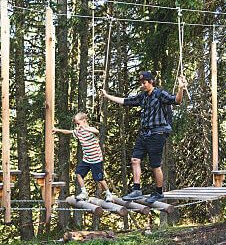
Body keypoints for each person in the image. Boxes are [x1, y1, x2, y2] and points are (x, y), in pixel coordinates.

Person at [102, 71, 187, 203]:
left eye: (145, 82)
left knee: (155, 165)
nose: (142, 85)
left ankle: (159, 192)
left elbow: (177, 100)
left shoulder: (159, 94)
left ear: (151, 81)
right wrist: (107, 96)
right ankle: (136, 190)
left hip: (158, 133)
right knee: (135, 159)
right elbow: (125, 101)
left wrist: (180, 88)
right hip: (144, 134)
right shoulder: (142, 97)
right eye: (141, 83)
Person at [53, 112, 115, 202]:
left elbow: (96, 131)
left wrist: (86, 128)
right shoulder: (79, 132)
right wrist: (57, 130)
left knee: (99, 179)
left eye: (78, 124)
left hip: (96, 159)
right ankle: (84, 192)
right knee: (78, 174)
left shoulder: (91, 130)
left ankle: (108, 193)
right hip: (87, 159)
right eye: (76, 124)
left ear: (84, 121)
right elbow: (69, 132)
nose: (77, 126)